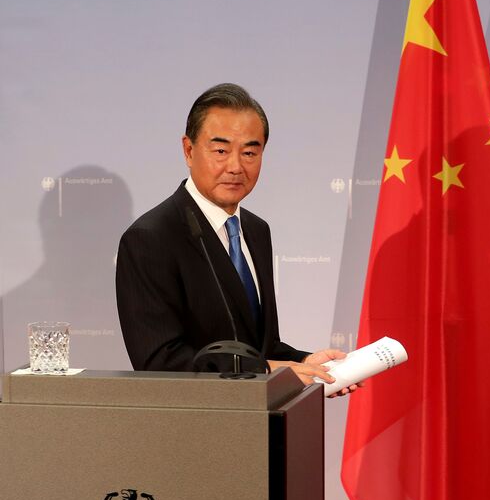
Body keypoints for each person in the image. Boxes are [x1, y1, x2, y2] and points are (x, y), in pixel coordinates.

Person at [116, 83, 351, 393]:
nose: (236, 166)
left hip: (263, 426)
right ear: (189, 150)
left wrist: (308, 363)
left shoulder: (255, 230)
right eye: (221, 150)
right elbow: (160, 362)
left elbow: (258, 345)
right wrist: (265, 370)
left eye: (250, 152)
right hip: (197, 429)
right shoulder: (150, 238)